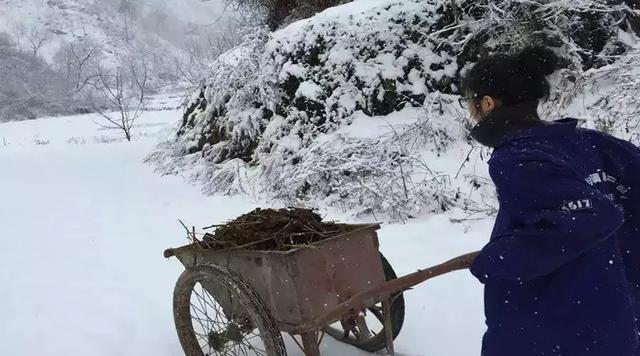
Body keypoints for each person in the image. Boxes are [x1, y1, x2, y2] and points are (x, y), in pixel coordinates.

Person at [462, 46, 640, 356]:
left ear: (487, 103)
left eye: (472, 103)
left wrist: (495, 259)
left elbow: (593, 217)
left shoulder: (516, 158)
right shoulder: (594, 144)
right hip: (617, 322)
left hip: (552, 330)